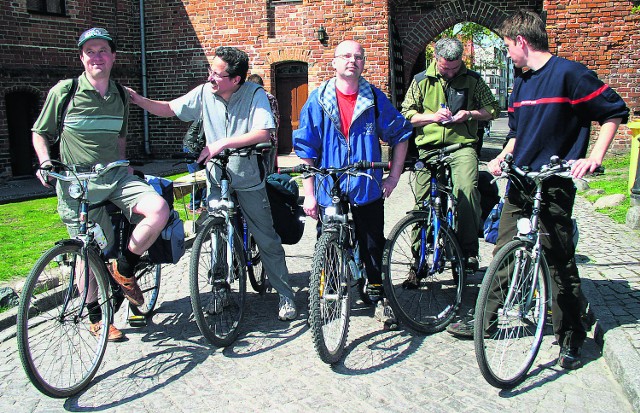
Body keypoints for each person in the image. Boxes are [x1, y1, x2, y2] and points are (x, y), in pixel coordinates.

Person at [446, 10, 629, 371]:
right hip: (520, 182)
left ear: (522, 42)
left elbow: (613, 112)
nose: (507, 53)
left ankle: (570, 337)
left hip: (554, 182)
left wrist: (593, 157)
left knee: (557, 259)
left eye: (507, 47)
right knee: (504, 252)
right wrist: (501, 157)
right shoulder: (521, 81)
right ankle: (487, 320)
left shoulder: (570, 75)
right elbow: (516, 133)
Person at [127, 46, 297, 321]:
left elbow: (263, 131)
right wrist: (138, 100)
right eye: (210, 71)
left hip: (247, 175)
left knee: (265, 236)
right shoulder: (206, 92)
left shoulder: (255, 95)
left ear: (236, 79)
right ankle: (220, 292)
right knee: (215, 234)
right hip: (217, 176)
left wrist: (221, 143)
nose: (210, 78)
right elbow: (171, 108)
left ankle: (285, 294)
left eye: (217, 74)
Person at [31, 28, 171, 341]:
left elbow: (119, 137)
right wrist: (44, 161)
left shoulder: (121, 95)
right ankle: (98, 318)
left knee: (159, 209)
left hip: (116, 177)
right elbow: (40, 133)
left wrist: (124, 164)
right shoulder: (64, 92)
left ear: (113, 57)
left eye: (103, 50)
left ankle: (124, 268)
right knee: (86, 253)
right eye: (90, 51)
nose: (97, 57)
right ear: (82, 58)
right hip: (76, 184)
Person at [293, 40, 413, 326]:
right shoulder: (318, 100)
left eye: (358, 56)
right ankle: (331, 292)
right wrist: (309, 194)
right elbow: (306, 150)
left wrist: (394, 176)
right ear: (333, 62)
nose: (352, 60)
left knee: (373, 244)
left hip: (365, 182)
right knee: (329, 240)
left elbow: (401, 133)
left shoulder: (373, 98)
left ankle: (378, 292)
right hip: (329, 184)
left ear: (363, 63)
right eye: (346, 56)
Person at [401, 37, 500, 271]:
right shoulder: (421, 81)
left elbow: (493, 109)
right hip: (430, 147)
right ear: (436, 59)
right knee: (422, 202)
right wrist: (431, 117)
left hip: (461, 146)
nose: (452, 73)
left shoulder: (473, 80)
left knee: (466, 190)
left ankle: (467, 252)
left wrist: (470, 114)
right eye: (447, 68)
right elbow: (407, 114)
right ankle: (419, 256)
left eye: (456, 68)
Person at [247, 74, 280, 173]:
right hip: (271, 139)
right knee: (269, 171)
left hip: (256, 140)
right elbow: (276, 119)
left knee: (259, 172)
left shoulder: (252, 98)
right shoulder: (271, 97)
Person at [183, 117, 206, 213]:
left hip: (195, 147)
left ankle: (203, 203)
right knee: (198, 178)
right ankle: (194, 206)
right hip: (193, 149)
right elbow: (200, 138)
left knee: (203, 177)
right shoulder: (207, 117)